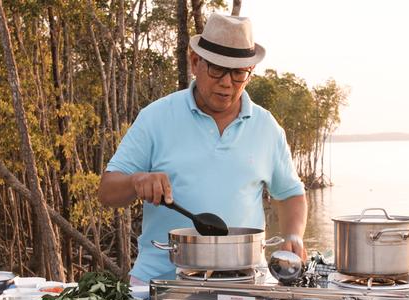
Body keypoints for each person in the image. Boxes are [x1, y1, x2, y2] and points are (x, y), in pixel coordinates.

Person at [98, 13, 307, 285]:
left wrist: (293, 236)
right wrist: (137, 181)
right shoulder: (156, 117)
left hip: (244, 280)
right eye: (217, 69)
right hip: (159, 281)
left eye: (238, 73)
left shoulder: (266, 127)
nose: (226, 82)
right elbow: (107, 192)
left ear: (250, 74)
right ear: (195, 62)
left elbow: (291, 194)